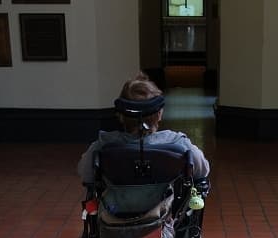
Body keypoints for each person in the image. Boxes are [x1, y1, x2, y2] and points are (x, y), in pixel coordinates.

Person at [77, 72, 210, 185]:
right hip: (165, 212)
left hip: (115, 212)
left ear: (121, 116)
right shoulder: (178, 143)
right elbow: (203, 170)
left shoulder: (103, 145)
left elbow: (85, 173)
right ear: (159, 114)